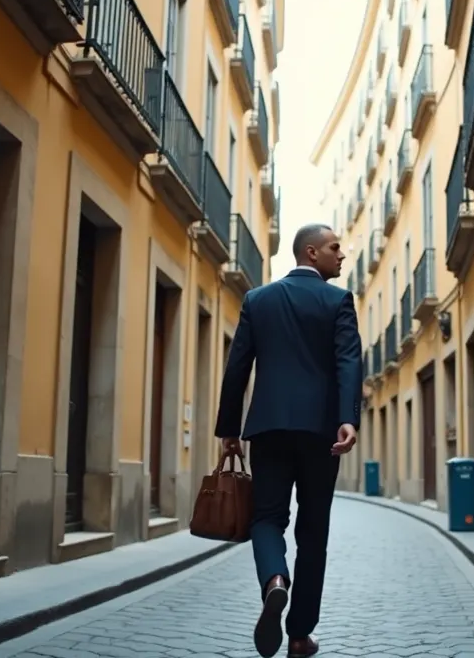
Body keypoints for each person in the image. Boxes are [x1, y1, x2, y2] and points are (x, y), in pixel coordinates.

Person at [213, 223, 362, 658]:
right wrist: (347, 419)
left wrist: (229, 430)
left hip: (269, 429)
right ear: (311, 253)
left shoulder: (257, 301)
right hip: (321, 434)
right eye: (335, 247)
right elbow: (348, 362)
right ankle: (298, 635)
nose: (342, 254)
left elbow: (237, 368)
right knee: (313, 531)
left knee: (266, 518)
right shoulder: (338, 301)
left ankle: (274, 579)